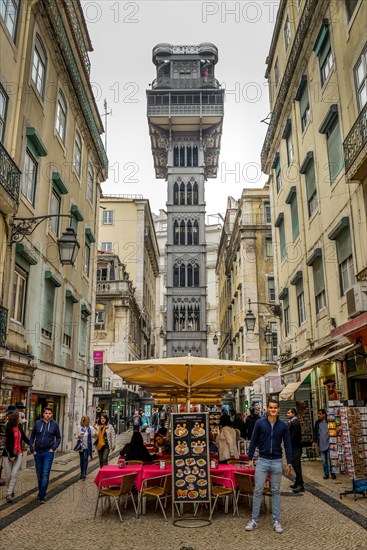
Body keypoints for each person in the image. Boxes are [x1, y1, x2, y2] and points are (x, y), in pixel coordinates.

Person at [245, 399, 292, 534]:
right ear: (267, 408)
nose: (273, 409)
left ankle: (276, 521)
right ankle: (254, 520)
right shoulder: (260, 423)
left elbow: (288, 444)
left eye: (275, 408)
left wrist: (288, 463)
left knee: (276, 491)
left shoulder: (283, 425)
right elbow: (253, 441)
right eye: (270, 407)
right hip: (262, 460)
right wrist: (249, 458)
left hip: (277, 461)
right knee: (258, 490)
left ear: (278, 410)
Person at [29, 407, 61, 504]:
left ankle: (42, 495)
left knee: (45, 473)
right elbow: (32, 437)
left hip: (48, 452)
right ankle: (41, 491)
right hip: (38, 452)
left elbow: (59, 438)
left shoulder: (55, 424)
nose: (48, 415)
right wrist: (32, 450)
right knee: (39, 474)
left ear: (51, 414)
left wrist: (53, 449)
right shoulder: (37, 423)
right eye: (46, 413)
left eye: (49, 413)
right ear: (43, 414)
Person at [3, 412, 30, 503]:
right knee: (8, 475)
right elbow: (8, 443)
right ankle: (11, 490)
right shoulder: (9, 428)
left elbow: (25, 439)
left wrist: (33, 445)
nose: (21, 419)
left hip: (19, 453)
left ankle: (9, 494)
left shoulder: (20, 428)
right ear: (16, 419)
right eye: (20, 417)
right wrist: (11, 455)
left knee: (14, 474)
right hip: (8, 454)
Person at [313, 409, 336, 480]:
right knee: (323, 460)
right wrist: (314, 442)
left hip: (329, 443)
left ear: (324, 414)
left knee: (331, 459)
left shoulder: (329, 422)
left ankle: (333, 473)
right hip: (321, 444)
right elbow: (315, 432)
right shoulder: (317, 423)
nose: (319, 415)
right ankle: (326, 474)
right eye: (318, 414)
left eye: (320, 414)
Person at [287, 407, 304, 492]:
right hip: (295, 447)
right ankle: (297, 482)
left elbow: (293, 436)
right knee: (296, 465)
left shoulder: (294, 423)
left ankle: (300, 485)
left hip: (295, 447)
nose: (287, 414)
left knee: (296, 465)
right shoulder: (293, 422)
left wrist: (288, 443)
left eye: (289, 413)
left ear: (293, 414)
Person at [76, 415, 97, 480]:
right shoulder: (80, 427)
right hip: (81, 446)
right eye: (85, 420)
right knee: (82, 460)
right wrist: (78, 436)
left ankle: (84, 473)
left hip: (88, 447)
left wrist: (95, 434)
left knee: (85, 459)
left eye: (88, 420)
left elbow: (94, 436)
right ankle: (82, 472)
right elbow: (76, 435)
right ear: (83, 421)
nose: (87, 421)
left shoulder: (90, 428)